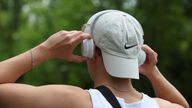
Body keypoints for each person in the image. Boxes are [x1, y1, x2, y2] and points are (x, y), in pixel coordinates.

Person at [0, 10, 189, 108]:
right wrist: (153, 72)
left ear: (90, 49)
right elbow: (182, 105)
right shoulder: (163, 106)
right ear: (138, 56)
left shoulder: (72, 101)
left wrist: (44, 50)